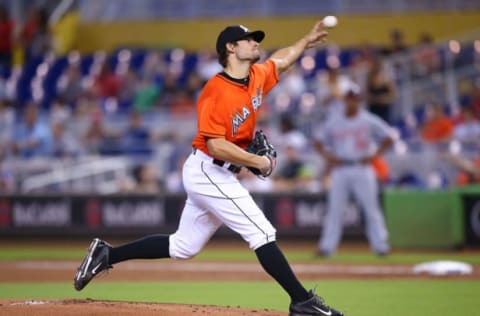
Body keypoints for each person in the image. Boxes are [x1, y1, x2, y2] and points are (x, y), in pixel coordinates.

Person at [74, 22, 345, 316]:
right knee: (261, 231)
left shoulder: (256, 76)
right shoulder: (215, 90)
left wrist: (305, 40)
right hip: (208, 169)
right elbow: (215, 145)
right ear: (230, 47)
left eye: (256, 39)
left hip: (219, 172)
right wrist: (258, 161)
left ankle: (106, 254)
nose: (255, 43)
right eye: (248, 39)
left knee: (183, 246)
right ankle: (302, 302)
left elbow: (281, 59)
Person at [314, 82, 393, 257]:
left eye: (355, 99)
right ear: (344, 100)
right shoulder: (335, 120)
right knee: (335, 209)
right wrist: (328, 156)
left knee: (371, 209)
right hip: (341, 168)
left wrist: (375, 155)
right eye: (349, 99)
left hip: (362, 167)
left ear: (359, 101)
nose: (352, 102)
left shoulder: (368, 119)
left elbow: (389, 137)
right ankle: (327, 247)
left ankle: (381, 246)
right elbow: (318, 140)